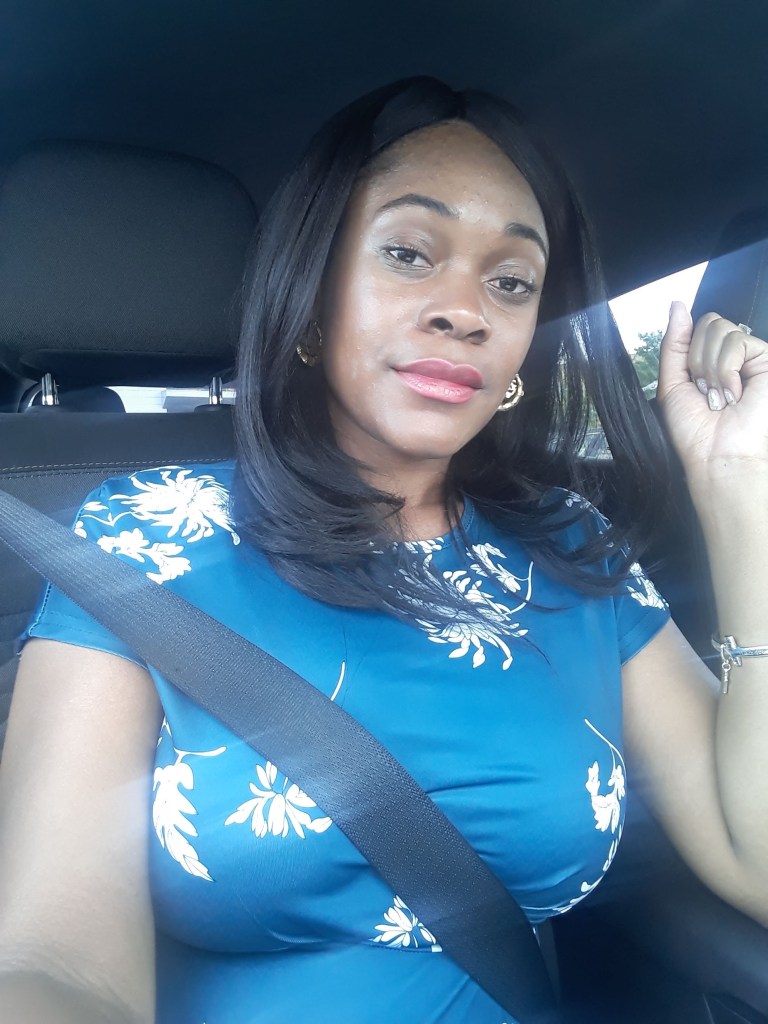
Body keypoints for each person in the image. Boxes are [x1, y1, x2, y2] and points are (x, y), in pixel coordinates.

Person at [1, 77, 767, 1024]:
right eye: (408, 253)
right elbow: (56, 963)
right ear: (312, 300)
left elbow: (756, 860)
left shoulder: (575, 549)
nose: (466, 310)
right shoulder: (145, 532)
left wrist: (742, 487)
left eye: (512, 281)